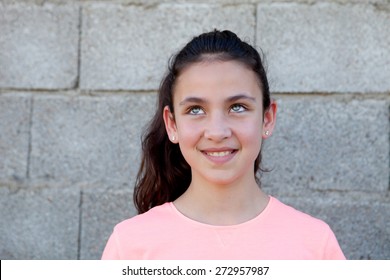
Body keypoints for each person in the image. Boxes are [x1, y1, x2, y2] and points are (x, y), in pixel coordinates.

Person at [101, 29, 345, 260]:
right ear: (172, 124)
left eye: (237, 107)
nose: (217, 132)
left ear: (267, 118)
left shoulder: (315, 244)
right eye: (195, 110)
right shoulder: (130, 245)